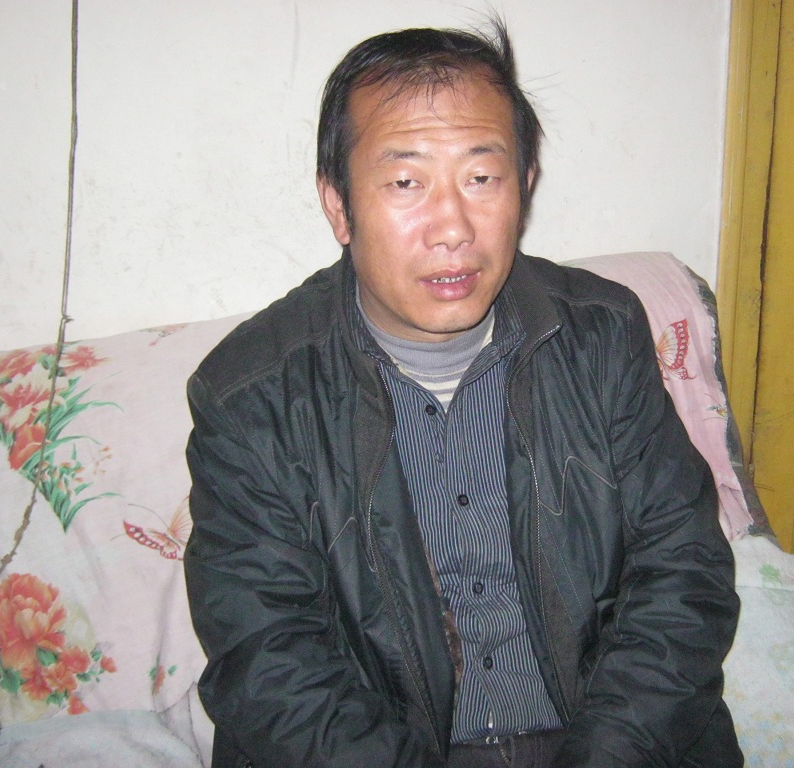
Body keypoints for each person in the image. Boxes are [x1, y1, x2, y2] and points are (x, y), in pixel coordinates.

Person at [184, 20, 742, 768]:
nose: (452, 228)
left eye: (482, 178)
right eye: (406, 183)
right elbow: (269, 659)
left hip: (605, 739)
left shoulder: (602, 337)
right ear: (339, 206)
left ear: (525, 185)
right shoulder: (251, 395)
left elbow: (682, 574)